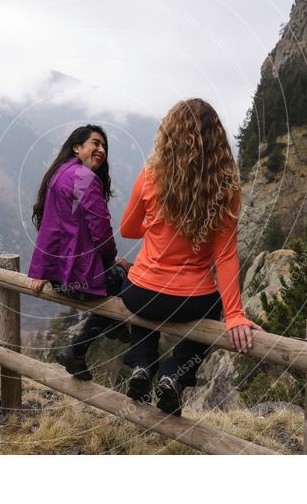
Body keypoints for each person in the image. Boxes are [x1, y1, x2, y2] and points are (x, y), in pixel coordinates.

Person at [119, 98, 262, 416]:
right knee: (215, 308)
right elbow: (225, 256)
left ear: (169, 134)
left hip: (142, 294)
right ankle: (174, 374)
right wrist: (235, 315)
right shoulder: (226, 187)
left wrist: (154, 224)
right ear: (216, 139)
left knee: (139, 290)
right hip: (192, 300)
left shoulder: (149, 176)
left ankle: (142, 366)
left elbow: (128, 230)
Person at [28, 125, 131, 381]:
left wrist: (41, 271)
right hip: (77, 279)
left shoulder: (59, 174)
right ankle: (84, 347)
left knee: (117, 279)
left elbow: (50, 228)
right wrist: (111, 261)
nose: (101, 149)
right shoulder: (85, 178)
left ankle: (113, 328)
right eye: (95, 143)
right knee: (124, 280)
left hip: (58, 277)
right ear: (77, 147)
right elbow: (102, 231)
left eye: (104, 146)